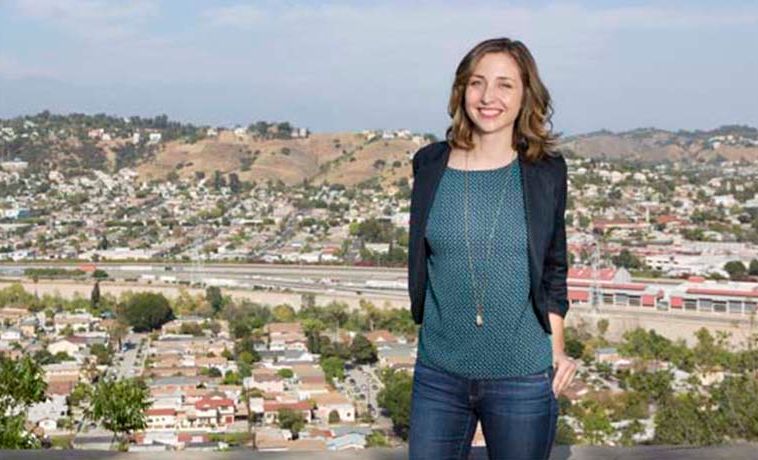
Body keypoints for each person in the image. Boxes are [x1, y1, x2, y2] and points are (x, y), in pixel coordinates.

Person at [406, 37, 577, 459]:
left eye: (505, 85)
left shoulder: (545, 172)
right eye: (477, 82)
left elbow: (553, 267)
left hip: (522, 378)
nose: (488, 97)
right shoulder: (429, 165)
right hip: (438, 375)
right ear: (461, 90)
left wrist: (557, 350)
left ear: (525, 97)